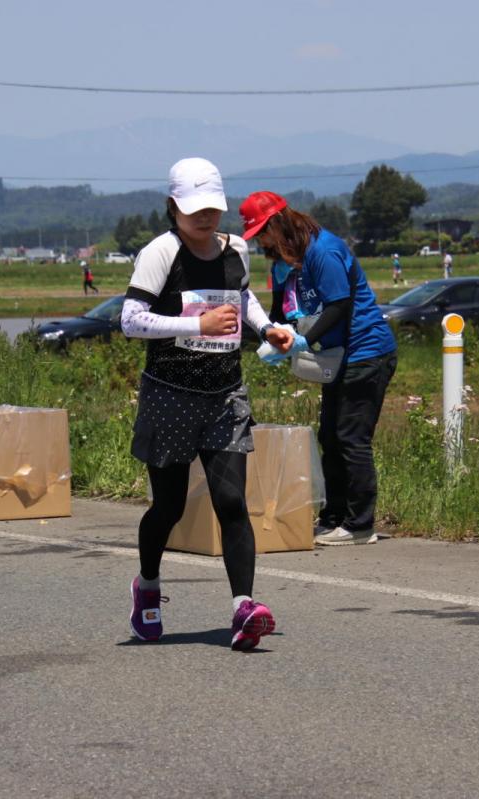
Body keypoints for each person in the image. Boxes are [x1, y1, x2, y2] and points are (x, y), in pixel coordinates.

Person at [121, 158, 293, 651]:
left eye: (213, 208)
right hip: (170, 395)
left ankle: (244, 607)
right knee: (169, 507)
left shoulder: (235, 248)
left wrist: (269, 328)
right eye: (195, 209)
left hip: (224, 393)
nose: (205, 218)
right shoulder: (161, 252)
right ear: (173, 206)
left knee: (233, 503)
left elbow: (244, 301)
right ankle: (147, 587)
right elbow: (131, 320)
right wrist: (195, 326)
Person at [239, 191, 398, 547]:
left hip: (366, 352)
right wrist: (275, 336)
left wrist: (303, 341)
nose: (261, 241)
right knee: (330, 437)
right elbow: (280, 311)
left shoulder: (322, 251)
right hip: (337, 358)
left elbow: (339, 306)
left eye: (263, 232)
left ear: (278, 223)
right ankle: (332, 517)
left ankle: (360, 525)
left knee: (351, 438)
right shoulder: (285, 260)